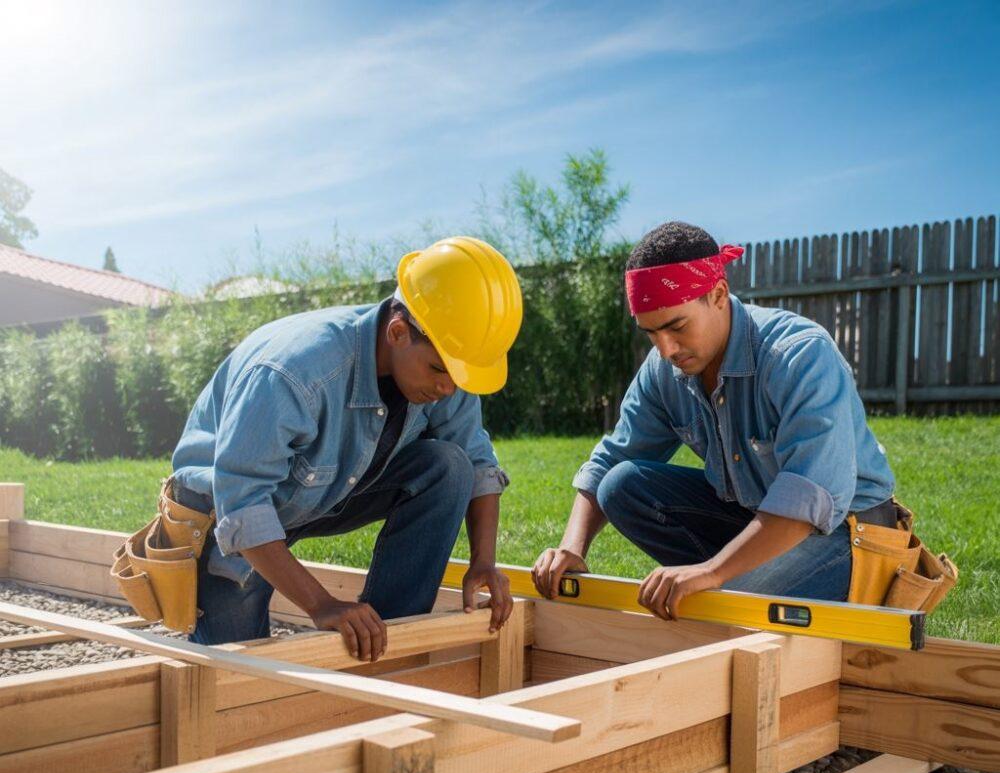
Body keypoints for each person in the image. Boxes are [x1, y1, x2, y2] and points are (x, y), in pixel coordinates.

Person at [171, 236, 521, 658]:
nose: (448, 389)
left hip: (324, 487)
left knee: (449, 467)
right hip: (223, 510)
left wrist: (484, 561)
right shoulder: (294, 374)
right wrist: (322, 605)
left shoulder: (444, 369)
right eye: (438, 371)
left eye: (459, 377)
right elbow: (241, 505)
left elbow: (478, 463)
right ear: (398, 332)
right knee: (235, 672)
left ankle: (387, 642)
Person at [533, 220, 898, 621]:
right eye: (651, 333)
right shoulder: (664, 368)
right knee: (622, 485)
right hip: (755, 516)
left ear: (719, 295)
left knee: (728, 604)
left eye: (677, 326)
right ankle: (729, 576)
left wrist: (712, 571)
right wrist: (571, 548)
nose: (666, 349)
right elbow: (612, 460)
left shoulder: (799, 355)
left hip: (847, 533)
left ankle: (729, 580)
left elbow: (808, 500)